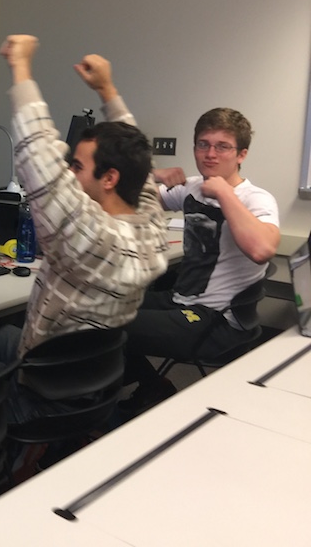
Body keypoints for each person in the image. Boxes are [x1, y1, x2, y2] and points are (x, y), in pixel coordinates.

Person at [0, 35, 168, 387]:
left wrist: (20, 66)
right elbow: (138, 162)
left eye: (77, 166)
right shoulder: (151, 227)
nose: (69, 172)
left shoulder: (96, 238)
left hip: (39, 385)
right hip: (86, 382)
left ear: (109, 178)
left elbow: (39, 156)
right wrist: (108, 90)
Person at [120, 108, 280, 413]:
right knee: (97, 308)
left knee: (105, 326)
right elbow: (126, 198)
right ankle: (153, 387)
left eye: (222, 146)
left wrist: (224, 193)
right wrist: (152, 175)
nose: (210, 154)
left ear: (241, 154)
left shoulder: (255, 198)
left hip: (216, 320)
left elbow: (261, 249)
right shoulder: (192, 188)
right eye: (203, 144)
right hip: (180, 301)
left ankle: (93, 413)